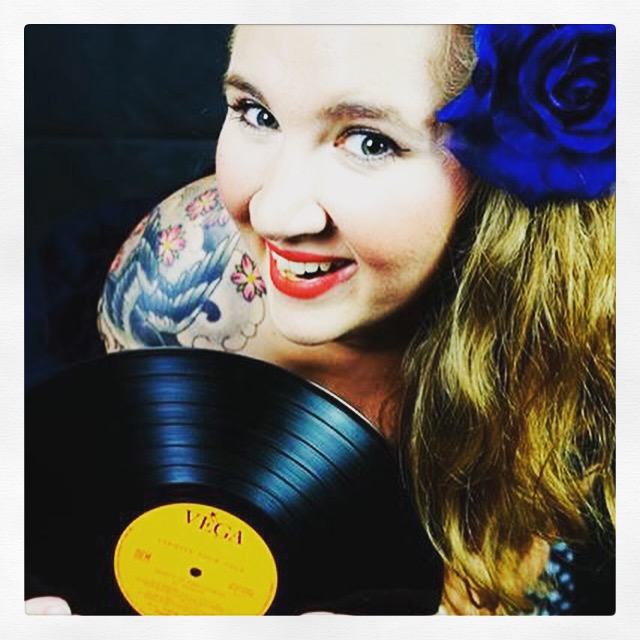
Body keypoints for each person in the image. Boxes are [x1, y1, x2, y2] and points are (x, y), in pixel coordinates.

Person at [27, 24, 615, 615]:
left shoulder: (578, 342)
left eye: (370, 142)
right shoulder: (178, 278)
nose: (274, 214)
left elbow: (493, 592)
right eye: (256, 113)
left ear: (509, 174)